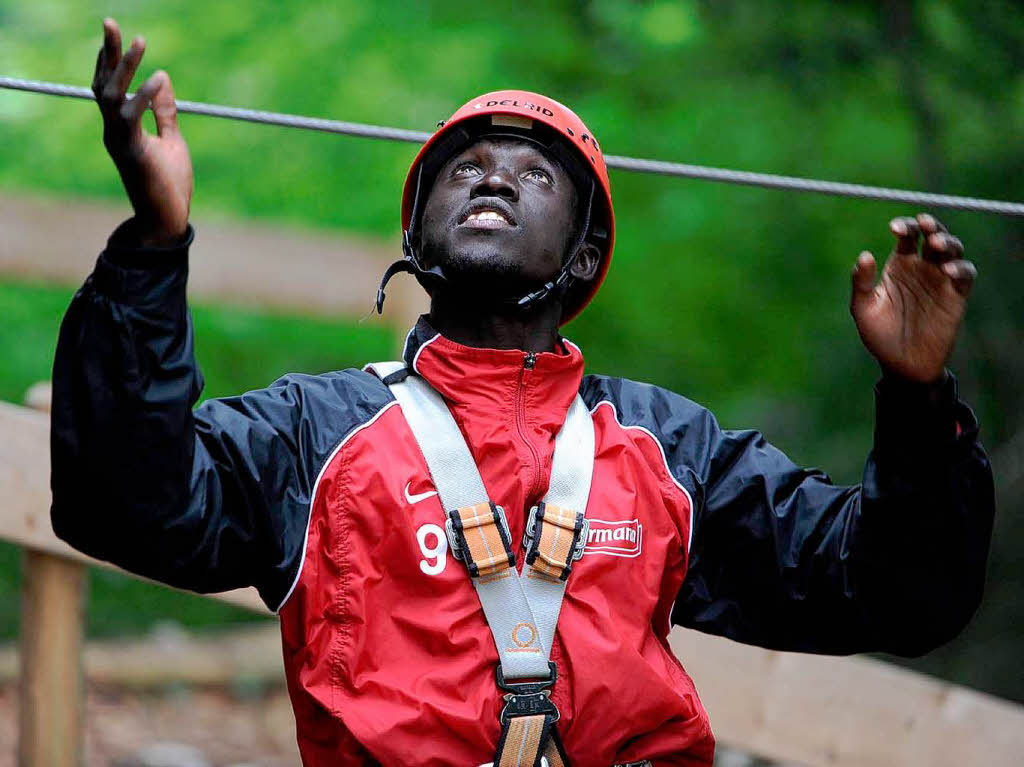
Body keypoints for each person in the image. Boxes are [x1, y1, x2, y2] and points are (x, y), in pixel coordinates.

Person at [51, 18, 995, 767]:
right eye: (465, 166)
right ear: (417, 238)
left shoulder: (667, 450)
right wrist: (151, 246)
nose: (494, 172)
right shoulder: (313, 433)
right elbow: (123, 504)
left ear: (583, 255)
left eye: (535, 172)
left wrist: (918, 403)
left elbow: (898, 594)